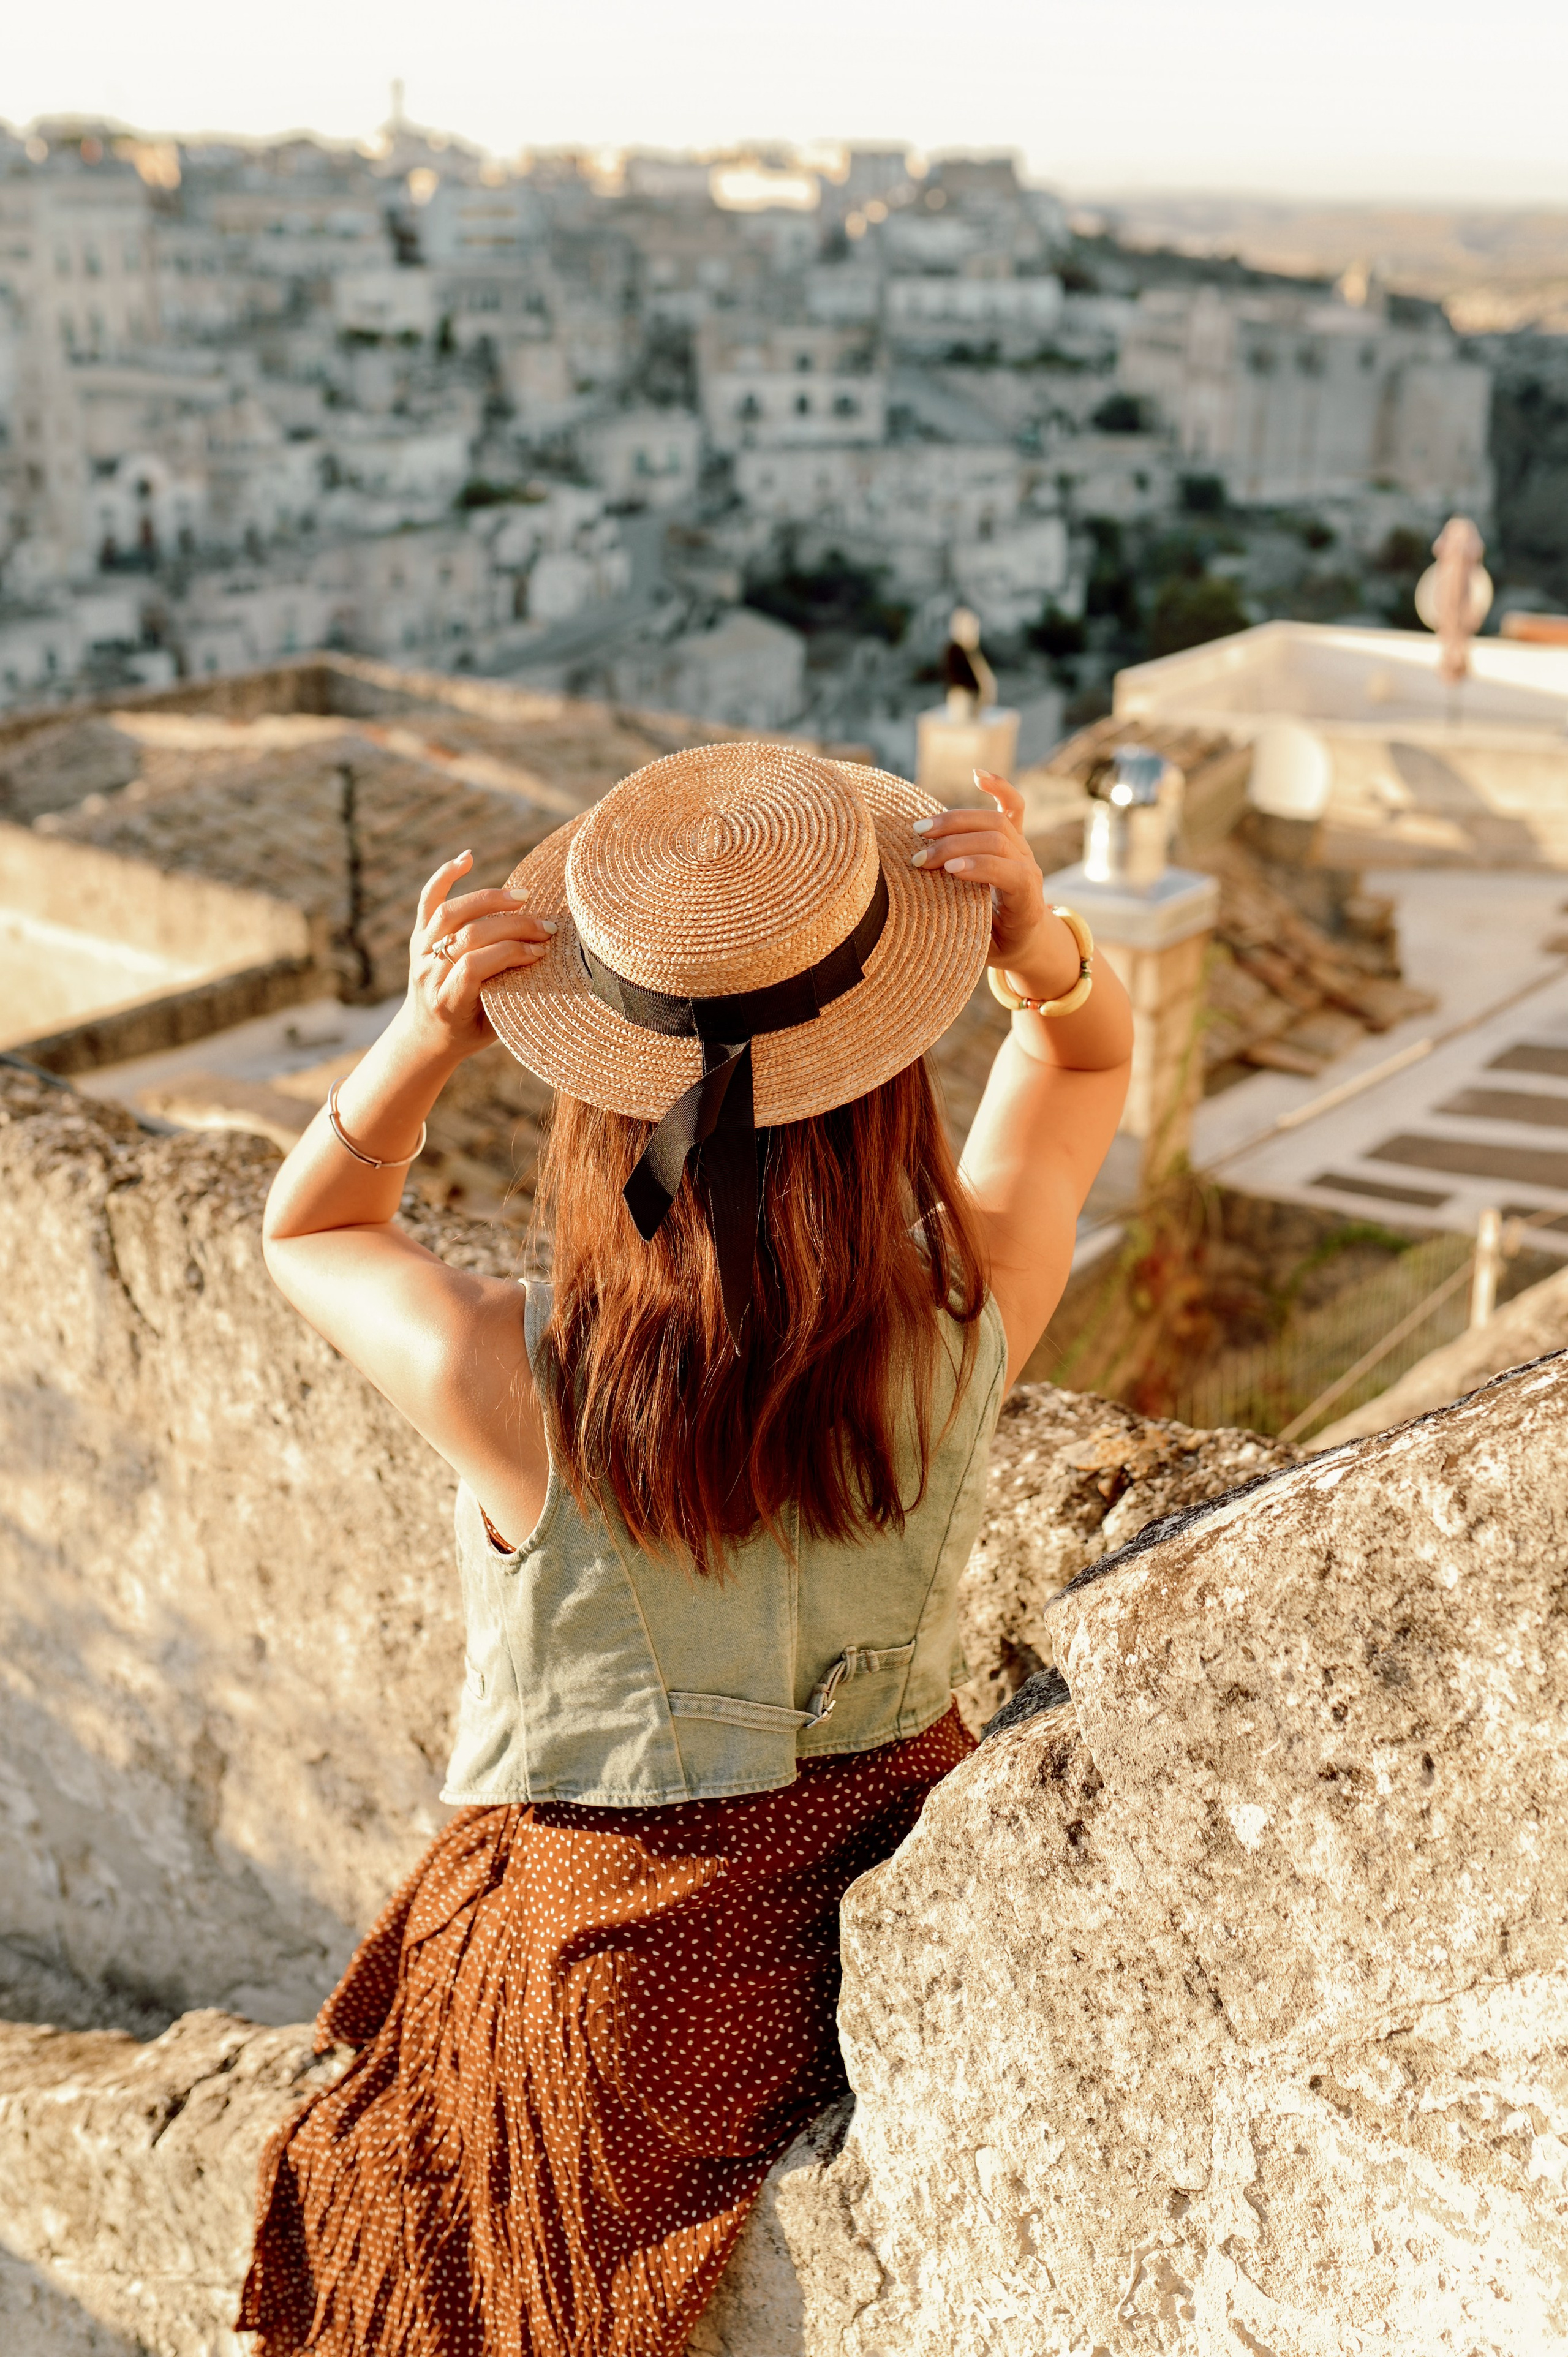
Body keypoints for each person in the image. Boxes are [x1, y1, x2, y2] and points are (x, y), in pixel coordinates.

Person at [239, 741, 1131, 2357]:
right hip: (849, 1922)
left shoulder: (509, 1378)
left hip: (623, 1984)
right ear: (884, 1089)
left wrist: (426, 1034)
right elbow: (1077, 1078)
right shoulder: (962, 1322)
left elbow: (311, 1229)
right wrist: (1044, 950)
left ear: (603, 1101)